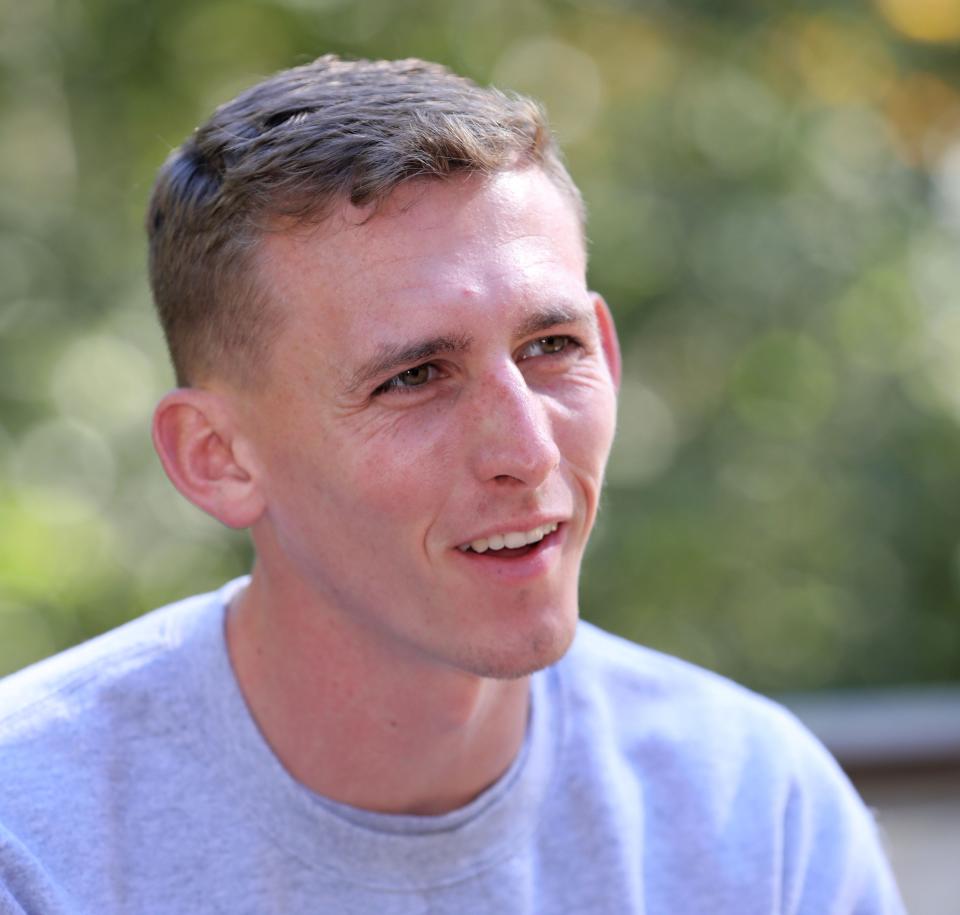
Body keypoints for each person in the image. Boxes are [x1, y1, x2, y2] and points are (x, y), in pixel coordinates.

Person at [0, 55, 904, 914]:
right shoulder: (32, 838)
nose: (528, 449)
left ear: (608, 351)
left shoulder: (754, 809)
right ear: (216, 456)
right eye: (414, 377)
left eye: (552, 348)